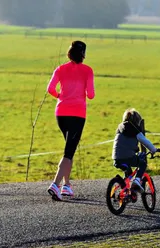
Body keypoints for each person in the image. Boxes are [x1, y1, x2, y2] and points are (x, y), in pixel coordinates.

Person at [46, 40, 95, 201]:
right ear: (83, 54)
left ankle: (66, 186)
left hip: (61, 113)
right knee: (68, 152)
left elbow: (50, 89)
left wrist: (60, 96)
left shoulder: (60, 69)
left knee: (70, 148)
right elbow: (91, 94)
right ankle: (55, 184)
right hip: (77, 114)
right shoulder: (87, 70)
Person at [112, 108, 158, 192]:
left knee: (128, 173)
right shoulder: (135, 130)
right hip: (128, 157)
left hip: (116, 158)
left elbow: (124, 143)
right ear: (137, 121)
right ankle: (136, 181)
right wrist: (153, 149)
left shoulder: (119, 128)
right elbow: (145, 141)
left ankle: (124, 189)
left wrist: (136, 149)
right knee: (142, 164)